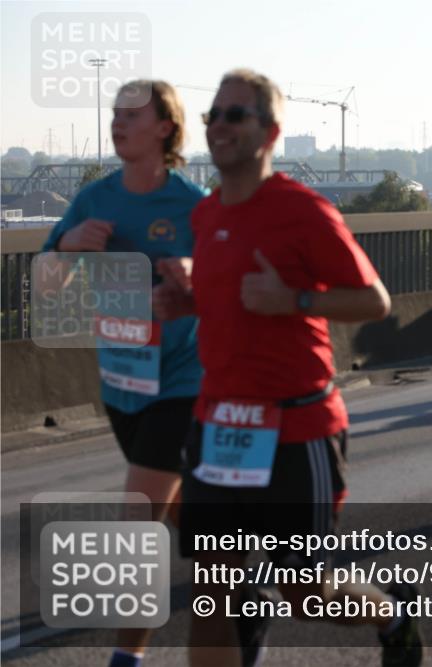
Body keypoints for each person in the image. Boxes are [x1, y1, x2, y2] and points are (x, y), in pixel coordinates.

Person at [152, 69, 421, 667]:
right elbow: (227, 300)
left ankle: (391, 612)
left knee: (308, 594)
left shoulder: (304, 212)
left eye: (234, 115)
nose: (217, 126)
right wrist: (185, 301)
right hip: (220, 428)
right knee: (211, 595)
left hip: (297, 431)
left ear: (270, 132)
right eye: (212, 115)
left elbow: (375, 300)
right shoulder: (205, 215)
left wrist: (295, 300)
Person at [41, 80, 205, 667]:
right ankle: (242, 582)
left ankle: (124, 658)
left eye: (132, 114)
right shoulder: (94, 199)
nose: (117, 123)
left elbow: (230, 283)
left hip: (182, 382)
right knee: (180, 516)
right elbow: (43, 282)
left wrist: (194, 272)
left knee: (137, 522)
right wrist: (67, 251)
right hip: (120, 383)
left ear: (165, 128)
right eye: (114, 113)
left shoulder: (194, 203)